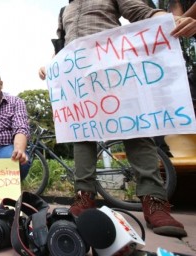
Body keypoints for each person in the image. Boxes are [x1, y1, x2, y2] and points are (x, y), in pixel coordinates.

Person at [38, 0, 188, 238]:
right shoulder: (63, 11)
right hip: (79, 80)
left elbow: (139, 11)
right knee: (81, 135)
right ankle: (84, 196)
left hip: (115, 71)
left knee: (136, 132)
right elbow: (61, 46)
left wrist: (168, 20)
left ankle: (154, 201)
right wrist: (52, 64)